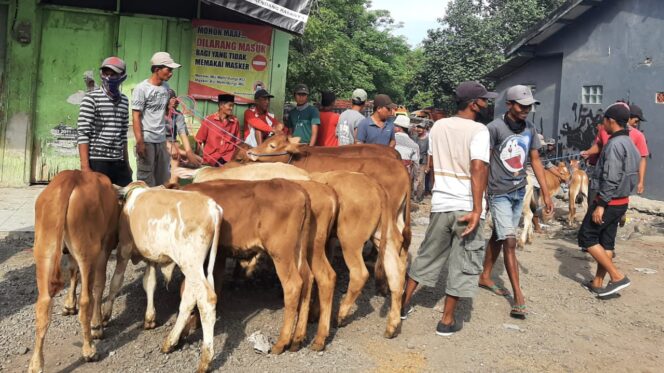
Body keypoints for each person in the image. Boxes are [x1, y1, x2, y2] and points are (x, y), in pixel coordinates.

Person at [400, 81, 493, 336]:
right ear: (474, 104)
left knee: (428, 254)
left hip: (441, 202)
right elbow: (478, 168)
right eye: (484, 100)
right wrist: (477, 209)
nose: (487, 104)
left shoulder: (439, 126)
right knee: (463, 261)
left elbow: (432, 160)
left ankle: (403, 303)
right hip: (466, 205)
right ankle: (447, 320)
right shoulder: (479, 131)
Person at [479, 84, 553, 319]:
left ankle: (485, 275)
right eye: (522, 106)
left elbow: (535, 160)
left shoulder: (530, 128)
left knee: (500, 235)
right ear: (509, 104)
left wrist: (547, 194)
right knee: (509, 240)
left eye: (529, 106)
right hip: (498, 192)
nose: (526, 110)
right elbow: (484, 162)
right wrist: (481, 195)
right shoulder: (494, 128)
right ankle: (518, 296)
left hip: (519, 191)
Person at [578, 102, 639, 297]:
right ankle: (597, 282)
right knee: (607, 243)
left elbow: (612, 177)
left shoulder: (614, 144)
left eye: (603, 120)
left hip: (609, 202)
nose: (602, 124)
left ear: (610, 121)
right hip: (622, 201)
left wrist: (601, 205)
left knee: (586, 237)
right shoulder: (631, 142)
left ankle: (616, 276)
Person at [77, 56, 132, 186]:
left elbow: (123, 136)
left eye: (113, 74)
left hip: (118, 162)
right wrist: (85, 167)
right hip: (97, 161)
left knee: (125, 200)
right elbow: (83, 133)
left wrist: (127, 164)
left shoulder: (124, 100)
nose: (108, 77)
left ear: (122, 76)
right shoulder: (91, 99)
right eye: (106, 73)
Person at [581, 103, 649, 199]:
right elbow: (600, 145)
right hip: (599, 178)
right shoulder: (605, 129)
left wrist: (641, 181)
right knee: (593, 207)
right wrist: (588, 152)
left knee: (609, 206)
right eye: (635, 121)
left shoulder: (637, 136)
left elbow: (642, 158)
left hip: (617, 182)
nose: (636, 124)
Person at [132, 51, 180, 186]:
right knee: (146, 180)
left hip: (161, 140)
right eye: (168, 70)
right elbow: (136, 116)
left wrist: (169, 106)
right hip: (147, 140)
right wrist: (140, 141)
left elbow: (162, 112)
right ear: (157, 69)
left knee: (163, 179)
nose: (171, 73)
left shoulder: (166, 88)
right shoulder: (141, 89)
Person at [196, 94, 240, 166]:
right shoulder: (209, 120)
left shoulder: (235, 121)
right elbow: (199, 140)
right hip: (212, 158)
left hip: (228, 157)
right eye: (230, 105)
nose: (231, 108)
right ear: (221, 105)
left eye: (233, 106)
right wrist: (196, 157)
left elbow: (237, 142)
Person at [164, 89, 201, 174]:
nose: (175, 101)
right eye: (171, 98)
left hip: (172, 146)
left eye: (175, 98)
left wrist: (189, 153)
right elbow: (156, 136)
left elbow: (182, 133)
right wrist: (182, 152)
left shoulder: (178, 115)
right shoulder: (156, 114)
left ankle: (172, 182)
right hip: (156, 143)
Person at [411, 118, 430, 202]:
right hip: (414, 160)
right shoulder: (414, 137)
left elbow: (429, 153)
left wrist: (428, 165)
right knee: (412, 178)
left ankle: (418, 197)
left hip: (423, 161)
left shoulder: (428, 139)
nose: (419, 129)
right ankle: (412, 196)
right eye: (418, 127)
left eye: (421, 128)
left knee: (420, 180)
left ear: (425, 129)